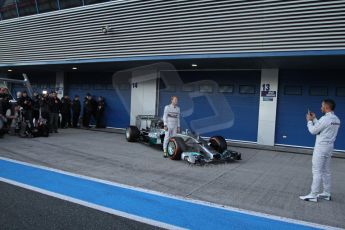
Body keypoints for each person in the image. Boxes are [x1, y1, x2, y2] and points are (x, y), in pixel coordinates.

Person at [300, 99, 341, 202]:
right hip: (329, 147)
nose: (320, 108)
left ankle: (313, 194)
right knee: (326, 171)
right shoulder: (336, 119)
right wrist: (314, 119)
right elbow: (322, 127)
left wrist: (309, 121)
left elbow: (314, 131)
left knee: (317, 171)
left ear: (327, 107)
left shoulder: (325, 119)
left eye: (322, 106)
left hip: (321, 148)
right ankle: (326, 193)